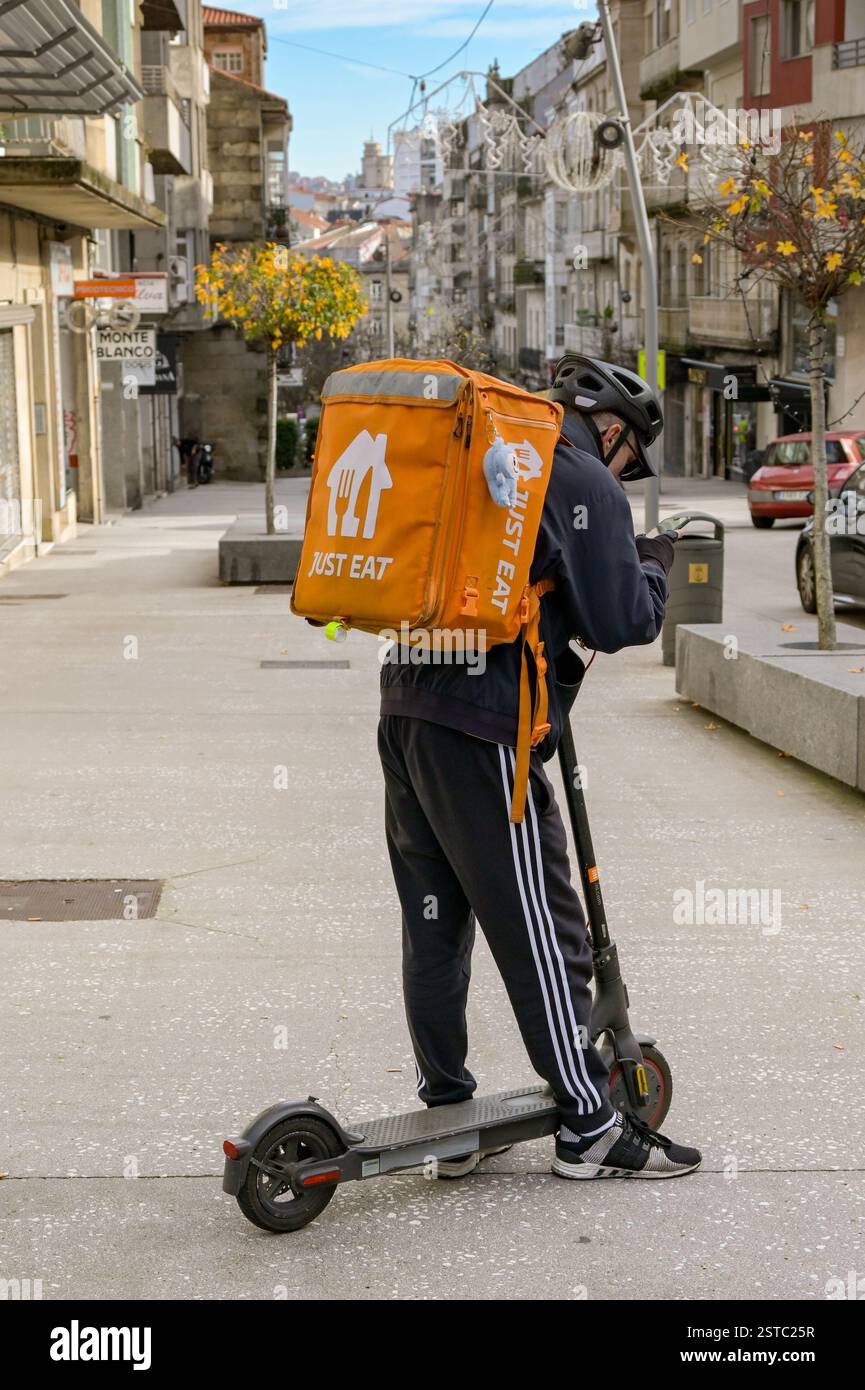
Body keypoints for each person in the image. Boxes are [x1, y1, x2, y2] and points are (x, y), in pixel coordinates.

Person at [377, 353, 702, 1181]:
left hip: (408, 703)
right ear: (616, 430)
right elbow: (623, 618)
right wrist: (655, 564)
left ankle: (446, 1109)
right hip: (486, 729)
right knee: (546, 934)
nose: (623, 477)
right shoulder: (579, 472)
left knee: (434, 923)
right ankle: (590, 1127)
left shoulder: (494, 453)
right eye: (630, 461)